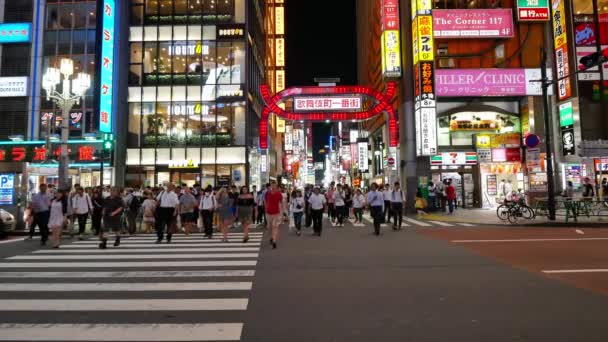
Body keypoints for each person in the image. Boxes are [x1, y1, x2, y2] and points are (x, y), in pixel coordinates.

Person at [265, 181, 284, 248]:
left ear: (276, 186)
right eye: (272, 185)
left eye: (274, 185)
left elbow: (281, 203)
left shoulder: (279, 194)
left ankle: (274, 241)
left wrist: (282, 213)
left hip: (276, 213)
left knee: (275, 227)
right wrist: (265, 210)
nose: (273, 186)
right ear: (270, 186)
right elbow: (266, 202)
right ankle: (272, 237)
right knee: (269, 227)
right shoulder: (267, 193)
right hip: (268, 213)